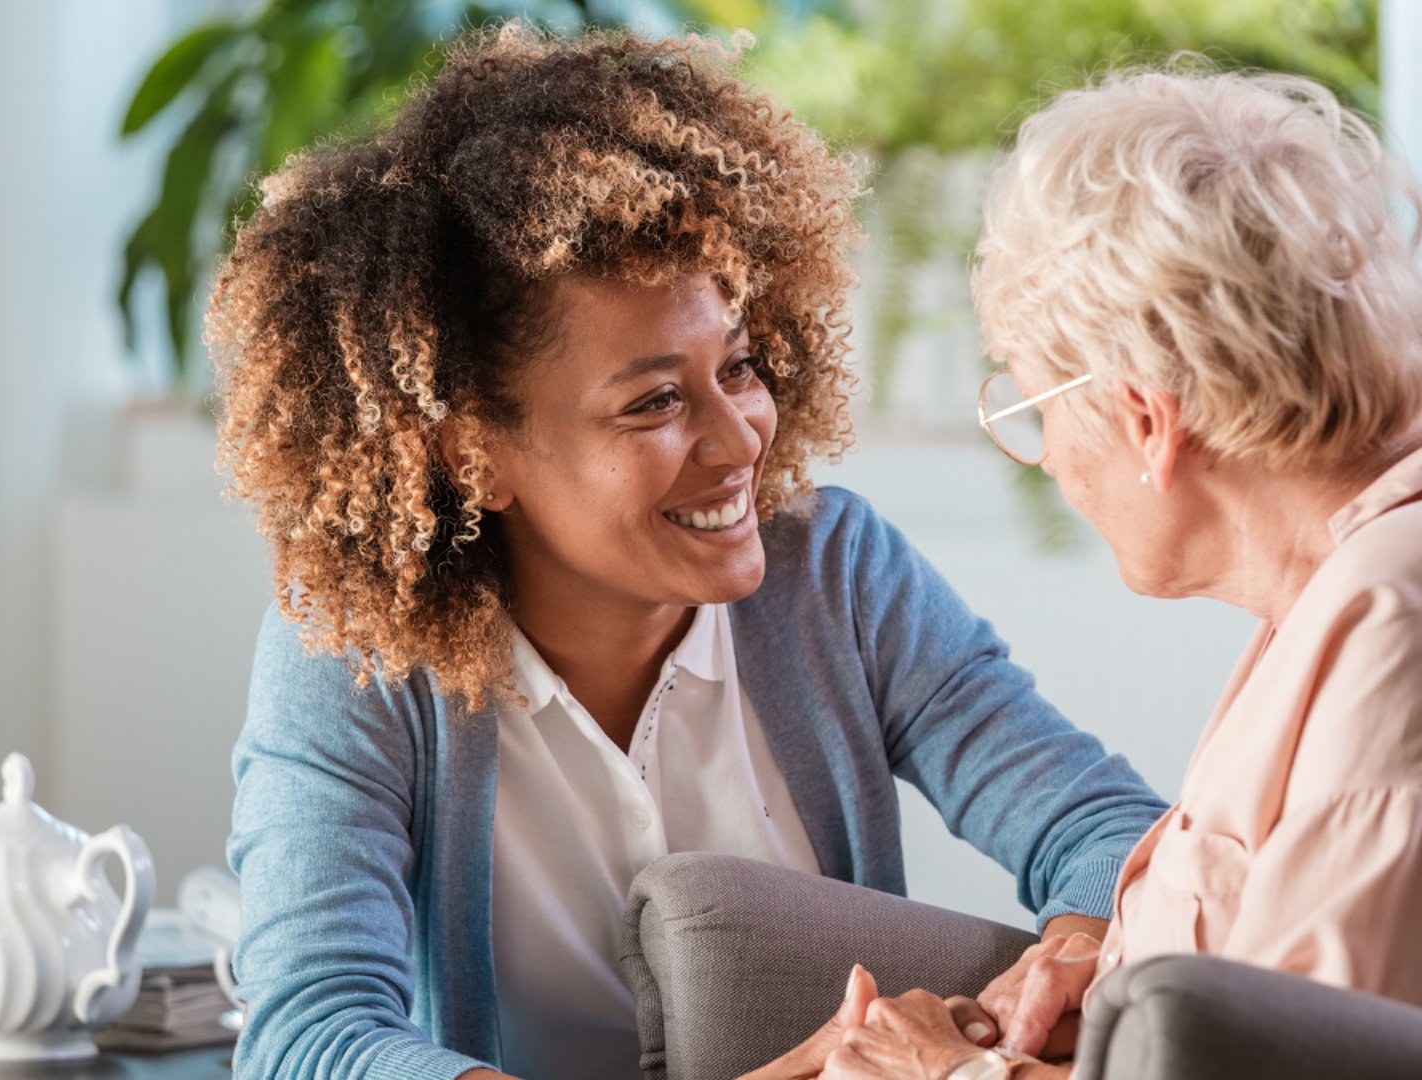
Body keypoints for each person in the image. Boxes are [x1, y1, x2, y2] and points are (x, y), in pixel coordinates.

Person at [210, 24, 1168, 1080]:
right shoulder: (356, 658)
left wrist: (1066, 962)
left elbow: (1109, 831)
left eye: (740, 367)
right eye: (655, 401)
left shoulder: (838, 577)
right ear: (474, 454)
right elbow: (308, 1035)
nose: (740, 439)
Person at [782, 64, 1422, 1080]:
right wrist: (1124, 986)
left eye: (1032, 405)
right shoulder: (1410, 552)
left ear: (1147, 420)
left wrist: (952, 1073)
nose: (1046, 457)